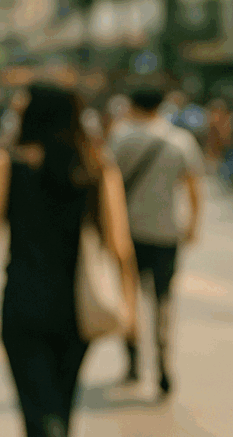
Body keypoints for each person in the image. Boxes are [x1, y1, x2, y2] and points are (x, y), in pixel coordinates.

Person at [0, 83, 139, 437]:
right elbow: (120, 245)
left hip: (22, 301)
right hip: (75, 306)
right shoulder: (98, 166)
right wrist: (130, 304)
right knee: (62, 402)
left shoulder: (6, 164)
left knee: (35, 407)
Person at [110, 86, 205, 397]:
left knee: (130, 297)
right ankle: (163, 363)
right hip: (166, 233)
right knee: (163, 299)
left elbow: (106, 188)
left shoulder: (120, 139)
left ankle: (133, 361)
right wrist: (192, 224)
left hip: (127, 234)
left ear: (132, 105)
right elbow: (193, 186)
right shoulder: (181, 141)